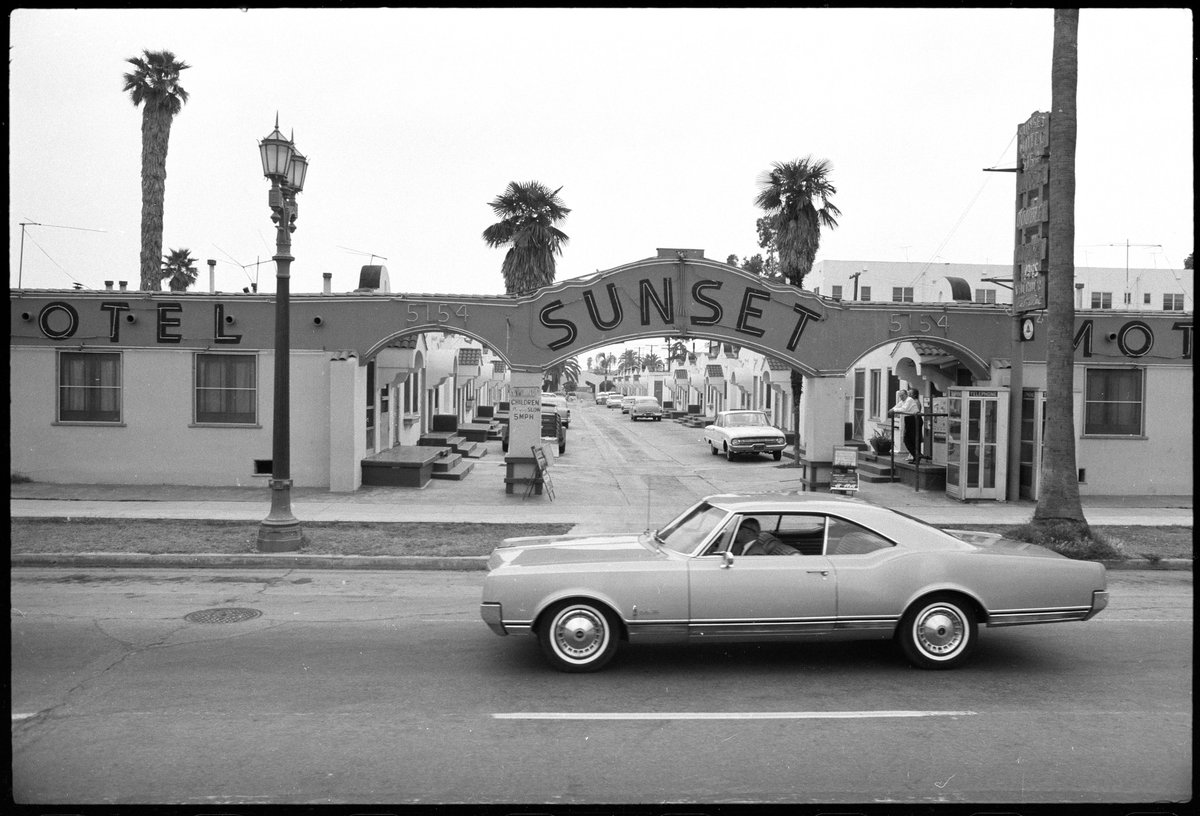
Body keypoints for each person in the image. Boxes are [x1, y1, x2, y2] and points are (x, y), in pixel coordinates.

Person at [733, 517, 799, 556]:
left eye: (739, 528)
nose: (736, 531)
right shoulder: (741, 546)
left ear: (748, 532)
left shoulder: (756, 554)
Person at [888, 387, 921, 463]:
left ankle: (917, 456)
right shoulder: (903, 401)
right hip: (909, 419)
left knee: (911, 439)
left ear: (906, 395)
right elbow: (897, 406)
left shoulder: (909, 400)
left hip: (914, 419)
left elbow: (904, 409)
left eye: (902, 395)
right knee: (907, 439)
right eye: (900, 396)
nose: (901, 397)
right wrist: (892, 409)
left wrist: (893, 410)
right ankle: (916, 456)